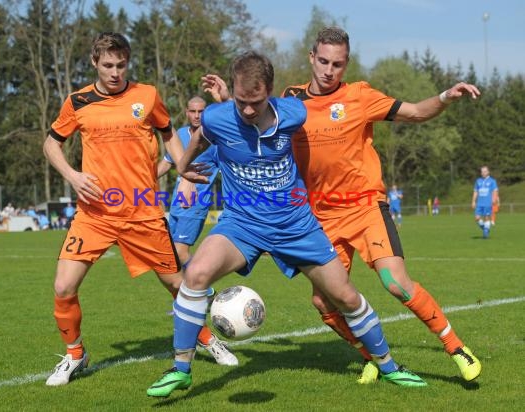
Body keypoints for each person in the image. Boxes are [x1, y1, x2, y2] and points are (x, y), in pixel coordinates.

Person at [147, 51, 426, 398]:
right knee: (195, 274)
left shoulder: (294, 112)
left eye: (257, 102)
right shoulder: (218, 116)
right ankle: (180, 369)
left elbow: (328, 135)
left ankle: (389, 366)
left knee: (345, 296)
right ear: (233, 90)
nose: (248, 110)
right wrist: (184, 165)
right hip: (242, 224)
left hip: (296, 225)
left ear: (272, 92)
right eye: (242, 101)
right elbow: (202, 135)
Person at [279, 26, 481, 383]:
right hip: (321, 217)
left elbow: (417, 111)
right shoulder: (290, 99)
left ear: (347, 64)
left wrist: (446, 96)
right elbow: (256, 128)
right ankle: (372, 356)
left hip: (365, 206)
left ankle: (456, 348)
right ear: (311, 57)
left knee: (396, 283)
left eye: (337, 64)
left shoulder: (360, 96)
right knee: (323, 304)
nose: (329, 70)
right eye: (323, 61)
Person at [42, 32, 236, 387]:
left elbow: (167, 133)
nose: (115, 72)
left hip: (142, 213)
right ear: (94, 63)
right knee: (63, 286)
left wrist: (182, 164)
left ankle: (207, 338)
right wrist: (72, 175)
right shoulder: (78, 101)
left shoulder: (147, 96)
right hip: (94, 215)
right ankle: (74, 354)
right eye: (107, 66)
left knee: (177, 285)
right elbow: (51, 144)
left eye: (121, 65)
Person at [157, 96, 219, 267]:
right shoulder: (181, 135)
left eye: (201, 111)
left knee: (180, 253)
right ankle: (184, 294)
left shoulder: (214, 140)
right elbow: (167, 163)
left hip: (196, 205)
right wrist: (141, 179)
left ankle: (203, 289)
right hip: (177, 205)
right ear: (187, 112)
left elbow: (229, 170)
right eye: (193, 111)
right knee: (171, 255)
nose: (197, 116)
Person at [472, 165, 499, 237]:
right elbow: (475, 192)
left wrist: (494, 199)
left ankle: (486, 232)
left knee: (486, 217)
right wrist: (473, 201)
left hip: (488, 203)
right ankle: (485, 228)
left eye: (485, 171)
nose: (483, 173)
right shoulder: (478, 181)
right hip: (479, 203)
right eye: (482, 171)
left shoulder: (492, 181)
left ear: (488, 172)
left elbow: (495, 191)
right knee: (477, 218)